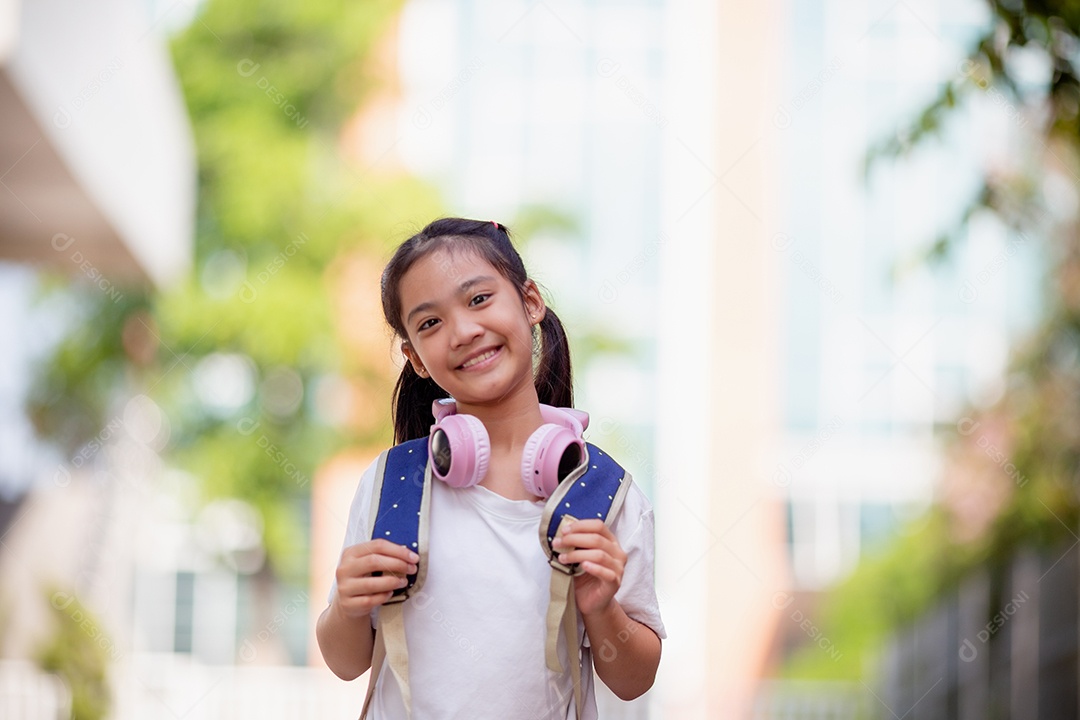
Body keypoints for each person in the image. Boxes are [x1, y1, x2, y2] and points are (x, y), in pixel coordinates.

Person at [316, 217, 665, 719]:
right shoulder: (393, 484)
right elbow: (344, 663)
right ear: (415, 358)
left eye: (479, 299)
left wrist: (603, 608)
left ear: (530, 302)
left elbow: (634, 681)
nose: (463, 331)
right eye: (430, 323)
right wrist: (347, 609)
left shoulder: (605, 494)